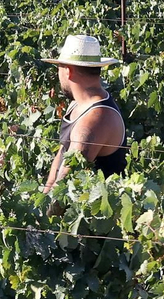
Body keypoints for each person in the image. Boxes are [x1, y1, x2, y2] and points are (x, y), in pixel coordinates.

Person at [44, 34, 128, 188]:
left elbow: (63, 187)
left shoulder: (96, 119)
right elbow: (64, 150)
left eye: (59, 68)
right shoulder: (77, 104)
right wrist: (47, 187)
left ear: (68, 71)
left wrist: (43, 209)